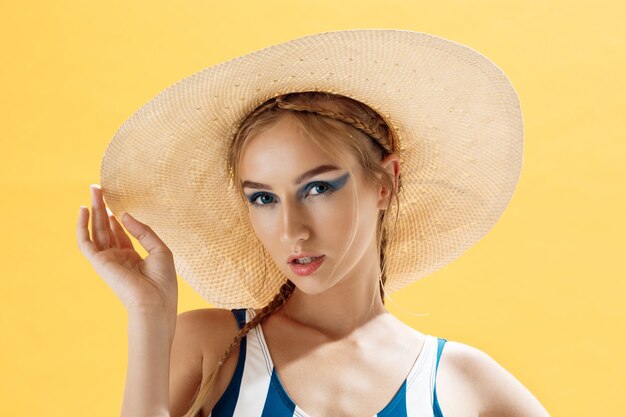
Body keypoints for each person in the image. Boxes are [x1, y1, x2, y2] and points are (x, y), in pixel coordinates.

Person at [77, 30, 551, 417]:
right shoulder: (210, 348)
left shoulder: (457, 384)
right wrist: (147, 314)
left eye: (318, 188)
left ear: (384, 182)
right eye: (263, 197)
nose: (291, 229)